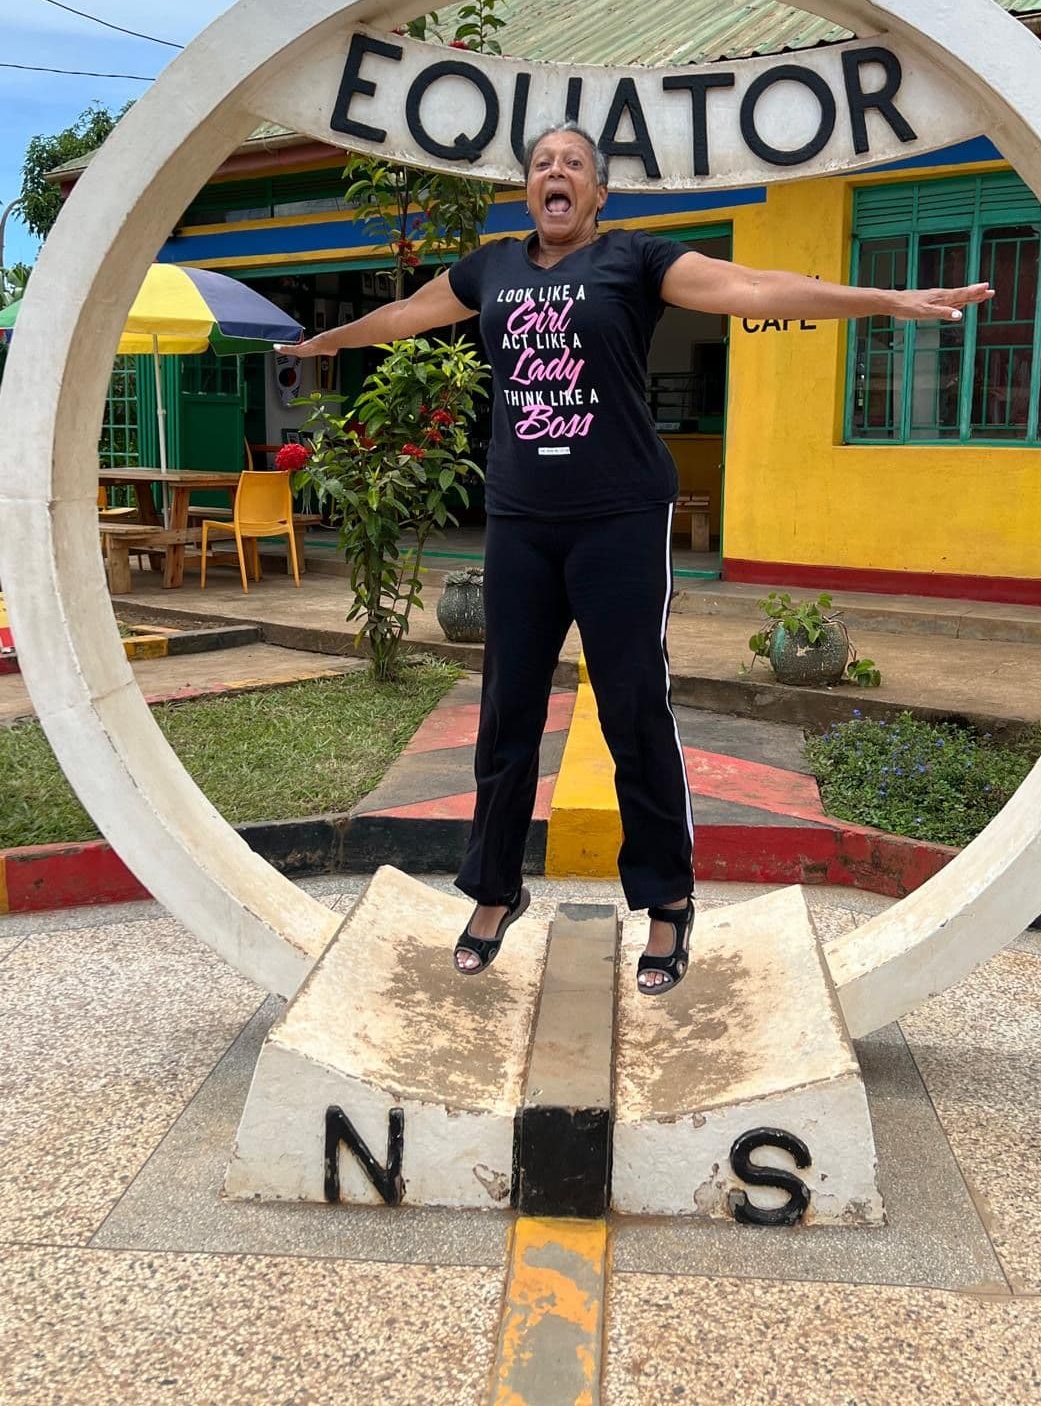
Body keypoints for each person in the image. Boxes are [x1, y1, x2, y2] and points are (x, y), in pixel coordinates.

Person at [277, 123, 992, 994]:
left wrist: (884, 301)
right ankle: (495, 890)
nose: (556, 173)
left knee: (633, 708)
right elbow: (405, 316)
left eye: (573, 164)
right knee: (506, 710)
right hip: (521, 519)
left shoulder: (635, 259)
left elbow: (751, 287)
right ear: (528, 188)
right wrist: (329, 342)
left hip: (618, 517)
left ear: (598, 192)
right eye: (543, 164)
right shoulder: (491, 269)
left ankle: (667, 901)